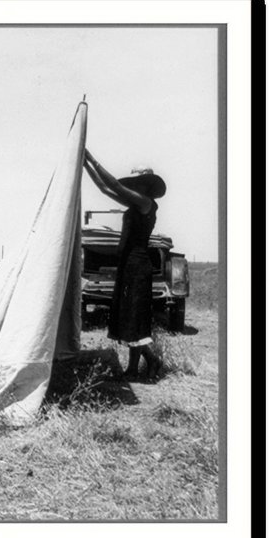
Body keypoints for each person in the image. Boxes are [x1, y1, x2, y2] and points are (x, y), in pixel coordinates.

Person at [83, 149, 166, 379]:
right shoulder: (134, 204)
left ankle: (139, 366)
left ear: (146, 186)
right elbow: (104, 188)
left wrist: (91, 158)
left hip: (138, 265)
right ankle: (148, 362)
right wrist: (85, 164)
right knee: (129, 316)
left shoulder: (145, 202)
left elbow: (116, 187)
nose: (136, 186)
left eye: (139, 183)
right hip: (129, 264)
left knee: (134, 316)